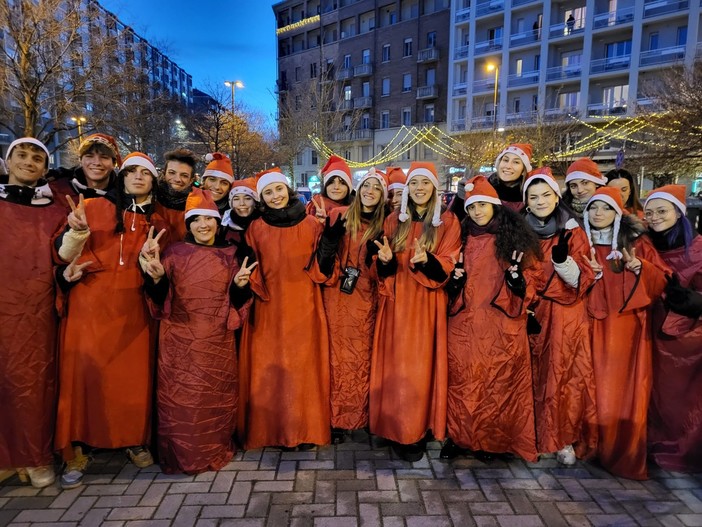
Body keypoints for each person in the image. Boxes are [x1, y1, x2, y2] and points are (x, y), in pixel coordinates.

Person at [54, 152, 169, 489]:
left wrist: (154, 273)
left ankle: (132, 438)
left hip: (133, 310)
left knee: (131, 380)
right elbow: (62, 254)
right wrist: (72, 243)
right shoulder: (89, 207)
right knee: (84, 379)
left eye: (144, 173)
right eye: (131, 171)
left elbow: (162, 274)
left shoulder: (157, 223)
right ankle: (80, 445)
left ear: (152, 181)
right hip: (89, 306)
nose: (137, 177)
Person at [141, 188, 251, 474]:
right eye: (197, 219)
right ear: (189, 224)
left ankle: (212, 447)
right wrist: (155, 279)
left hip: (217, 341)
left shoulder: (230, 254)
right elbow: (160, 297)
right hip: (179, 342)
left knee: (213, 397)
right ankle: (180, 453)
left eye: (209, 219)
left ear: (218, 221)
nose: (204, 225)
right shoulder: (174, 253)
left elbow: (237, 302)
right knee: (180, 399)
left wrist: (240, 287)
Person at [441, 175, 543, 462]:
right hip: (464, 321)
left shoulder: (515, 239)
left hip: (502, 322)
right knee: (463, 381)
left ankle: (495, 440)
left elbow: (534, 275)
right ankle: (462, 437)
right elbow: (446, 271)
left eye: (483, 205)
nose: (477, 211)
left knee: (498, 383)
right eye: (473, 206)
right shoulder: (459, 237)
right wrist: (454, 285)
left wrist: (519, 284)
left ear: (495, 206)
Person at [369, 162, 461, 462]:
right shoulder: (395, 219)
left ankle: (414, 431)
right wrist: (384, 261)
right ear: (406, 188)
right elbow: (385, 264)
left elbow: (447, 264)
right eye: (414, 183)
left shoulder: (448, 222)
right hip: (395, 302)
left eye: (425, 183)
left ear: (434, 187)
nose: (419, 188)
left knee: (418, 370)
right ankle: (390, 425)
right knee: (393, 367)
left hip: (425, 303)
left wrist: (425, 261)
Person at [236, 168, 334, 450]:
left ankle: (303, 429)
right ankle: (274, 430)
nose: (275, 196)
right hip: (268, 309)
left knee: (303, 369)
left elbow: (321, 269)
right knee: (272, 370)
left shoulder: (312, 225)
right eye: (268, 192)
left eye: (278, 189)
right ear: (262, 199)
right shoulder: (255, 228)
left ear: (288, 190)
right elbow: (252, 269)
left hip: (304, 306)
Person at [581, 187, 669, 480]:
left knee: (619, 390)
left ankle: (620, 450)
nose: (598, 214)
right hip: (590, 325)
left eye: (605, 208)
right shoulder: (582, 243)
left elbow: (661, 281)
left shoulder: (636, 243)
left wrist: (639, 267)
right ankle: (590, 444)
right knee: (588, 385)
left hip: (626, 329)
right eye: (593, 208)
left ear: (618, 212)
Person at [0, 138, 66, 488]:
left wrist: (77, 234)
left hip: (37, 309)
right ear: (8, 161)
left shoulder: (55, 209)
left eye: (37, 158)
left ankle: (34, 455)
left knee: (34, 383)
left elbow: (63, 254)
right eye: (22, 156)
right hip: (3, 305)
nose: (29, 162)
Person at [521, 168, 598, 464]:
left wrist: (564, 264)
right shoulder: (520, 231)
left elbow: (582, 278)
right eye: (533, 196)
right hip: (531, 309)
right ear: (526, 201)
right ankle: (535, 435)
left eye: (546, 195)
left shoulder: (573, 231)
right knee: (531, 375)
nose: (540, 201)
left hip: (565, 313)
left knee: (563, 377)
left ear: (556, 196)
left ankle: (562, 437)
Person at [322, 168, 388, 444]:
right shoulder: (340, 217)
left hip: (365, 299)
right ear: (358, 191)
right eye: (365, 186)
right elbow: (323, 261)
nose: (369, 191)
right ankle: (334, 418)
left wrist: (382, 261)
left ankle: (358, 415)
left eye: (376, 187)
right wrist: (329, 239)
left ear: (383, 195)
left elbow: (384, 272)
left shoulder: (386, 226)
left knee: (361, 359)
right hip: (336, 295)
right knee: (334, 358)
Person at [644, 185, 702, 473]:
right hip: (649, 332)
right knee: (654, 396)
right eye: (649, 212)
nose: (655, 217)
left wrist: (696, 303)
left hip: (685, 340)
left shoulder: (698, 248)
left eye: (662, 211)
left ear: (679, 213)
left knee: (681, 401)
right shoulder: (644, 245)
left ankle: (682, 448)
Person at [49, 133, 121, 210]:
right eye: (89, 156)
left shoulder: (124, 195)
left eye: (104, 157)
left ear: (114, 163)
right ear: (80, 160)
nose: (97, 163)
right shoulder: (57, 188)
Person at [154, 148, 198, 242]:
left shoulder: (198, 206)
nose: (177, 179)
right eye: (172, 173)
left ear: (191, 180)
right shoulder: (150, 198)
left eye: (184, 175)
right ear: (164, 173)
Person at [307, 155, 353, 219]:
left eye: (342, 183)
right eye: (331, 182)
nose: (336, 187)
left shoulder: (357, 210)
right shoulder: (313, 207)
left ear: (349, 187)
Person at [222, 177, 260, 253]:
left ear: (255, 201)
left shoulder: (265, 225)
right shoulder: (222, 228)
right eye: (236, 199)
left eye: (247, 198)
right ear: (231, 203)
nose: (242, 203)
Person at [200, 152, 234, 216]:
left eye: (224, 183)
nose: (217, 187)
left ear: (229, 188)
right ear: (204, 181)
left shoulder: (235, 213)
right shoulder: (189, 204)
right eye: (212, 180)